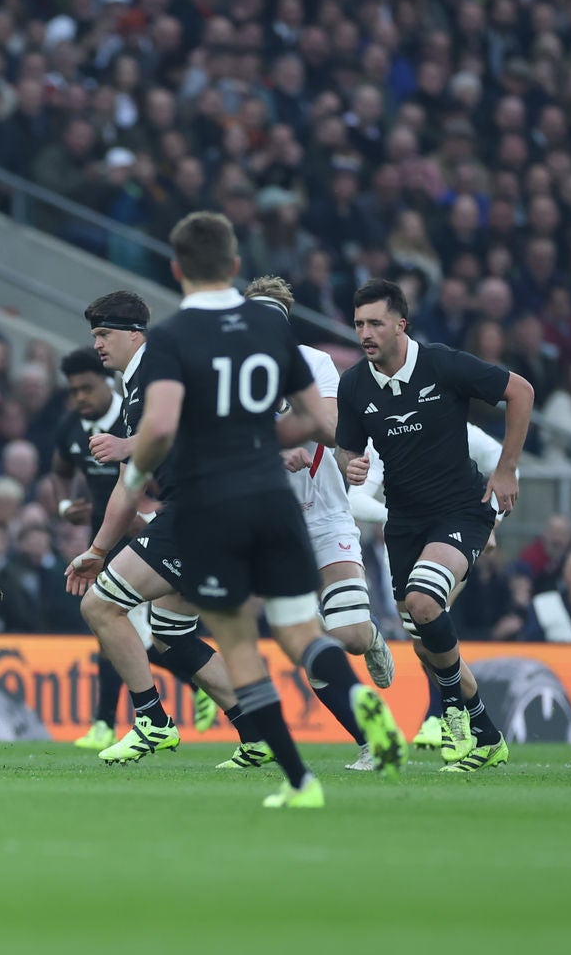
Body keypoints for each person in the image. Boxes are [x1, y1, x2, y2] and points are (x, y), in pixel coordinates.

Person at [110, 211, 403, 806]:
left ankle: (300, 781)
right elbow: (322, 422)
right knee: (302, 634)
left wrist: (139, 466)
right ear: (235, 267)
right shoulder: (271, 339)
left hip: (219, 504)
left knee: (240, 643)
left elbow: (161, 426)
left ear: (176, 269)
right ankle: (363, 710)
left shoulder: (171, 339)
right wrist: (268, 442)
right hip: (277, 505)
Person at [71, 287, 377, 770]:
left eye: (104, 334)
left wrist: (132, 446)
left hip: (221, 511)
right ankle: (267, 738)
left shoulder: (168, 365)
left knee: (104, 604)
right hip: (238, 510)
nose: (98, 345)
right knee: (181, 631)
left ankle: (153, 720)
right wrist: (99, 544)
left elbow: (212, 430)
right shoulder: (152, 378)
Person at [336, 278, 535, 773]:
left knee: (425, 601)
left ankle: (450, 716)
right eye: (359, 323)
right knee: (427, 643)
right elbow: (347, 450)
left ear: (400, 325)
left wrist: (506, 468)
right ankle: (486, 734)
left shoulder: (442, 363)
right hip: (404, 523)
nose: (365, 333)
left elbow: (521, 391)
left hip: (462, 510)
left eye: (375, 323)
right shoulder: (354, 385)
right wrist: (349, 465)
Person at [249, 275, 397, 769]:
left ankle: (372, 636)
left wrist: (337, 448)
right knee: (303, 643)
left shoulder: (313, 363)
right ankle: (370, 741)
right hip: (265, 526)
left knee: (350, 636)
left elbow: (331, 422)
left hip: (322, 515)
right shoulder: (231, 371)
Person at [50, 346, 132, 749]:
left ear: (108, 382)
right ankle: (105, 723)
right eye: (73, 391)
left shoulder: (132, 418)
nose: (80, 397)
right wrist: (66, 506)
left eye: (87, 388)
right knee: (110, 627)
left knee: (133, 631)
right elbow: (60, 470)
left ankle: (203, 688)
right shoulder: (71, 425)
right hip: (103, 540)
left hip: (149, 535)